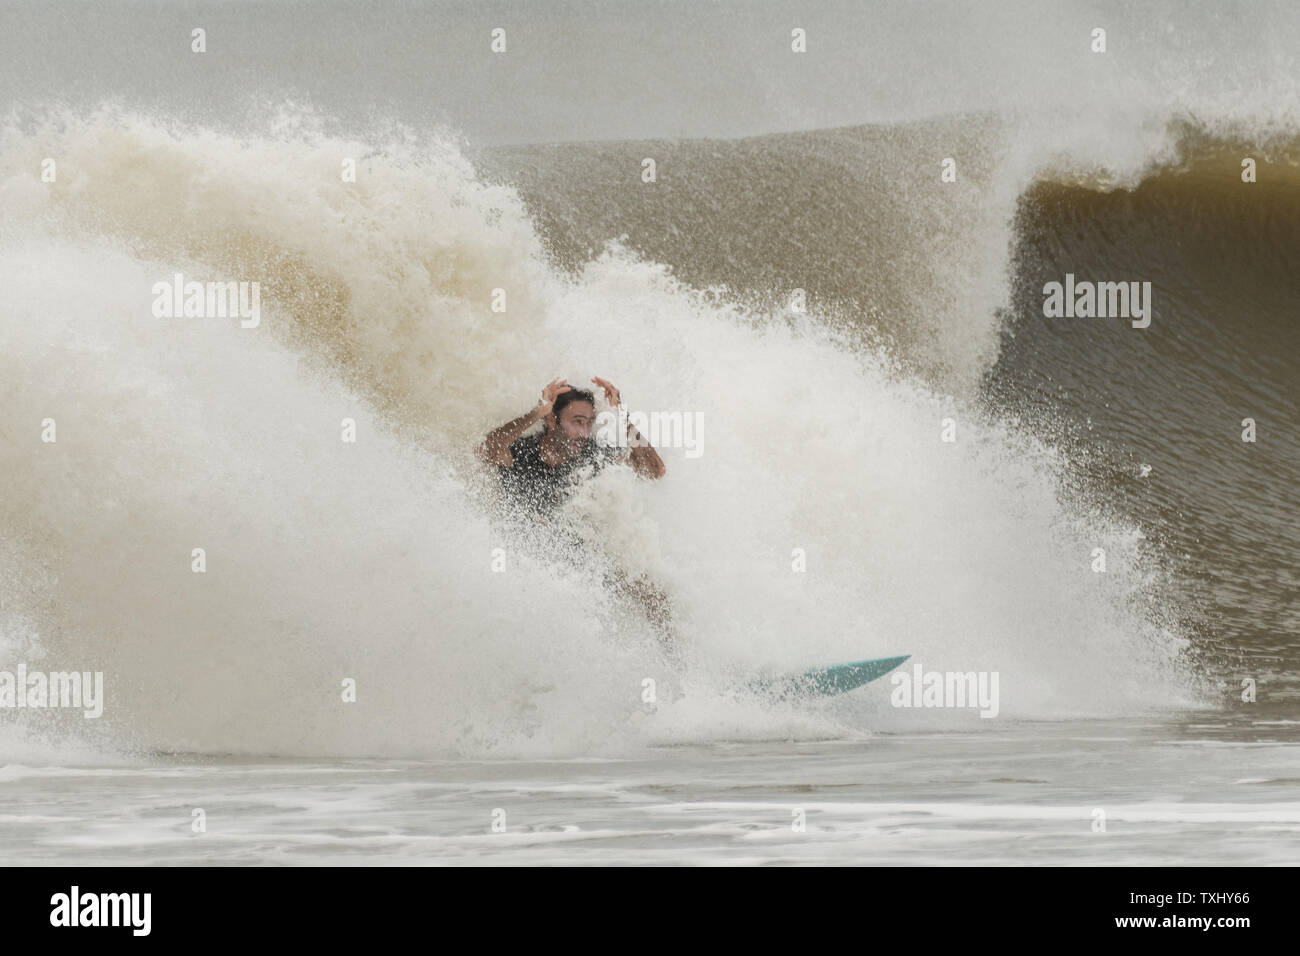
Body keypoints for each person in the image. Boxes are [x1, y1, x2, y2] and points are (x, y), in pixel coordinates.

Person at [476, 377, 673, 644]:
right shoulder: (522, 453)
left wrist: (623, 416)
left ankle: (679, 663)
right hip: (529, 565)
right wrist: (536, 412)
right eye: (577, 422)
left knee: (652, 593)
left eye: (589, 423)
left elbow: (654, 471)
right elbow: (486, 449)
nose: (584, 432)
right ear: (552, 421)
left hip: (580, 561)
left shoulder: (591, 454)